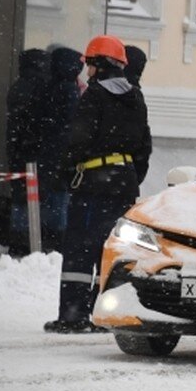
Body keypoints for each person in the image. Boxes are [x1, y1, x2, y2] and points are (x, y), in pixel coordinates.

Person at [45, 34, 152, 333]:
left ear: (100, 65)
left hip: (94, 184)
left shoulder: (94, 96)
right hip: (123, 183)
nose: (87, 70)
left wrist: (65, 173)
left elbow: (78, 139)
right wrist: (130, 176)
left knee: (79, 249)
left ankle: (73, 315)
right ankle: (103, 312)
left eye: (90, 64)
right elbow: (144, 147)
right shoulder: (135, 97)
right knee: (110, 250)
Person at [36, 46, 83, 251]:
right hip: (62, 151)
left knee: (50, 196)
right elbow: (72, 122)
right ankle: (57, 239)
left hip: (48, 150)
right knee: (60, 197)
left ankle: (47, 234)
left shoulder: (48, 86)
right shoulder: (70, 89)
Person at [6, 49, 51, 253]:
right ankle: (29, 241)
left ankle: (17, 239)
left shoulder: (18, 86)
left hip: (17, 147)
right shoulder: (41, 87)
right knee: (33, 197)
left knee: (20, 195)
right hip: (33, 150)